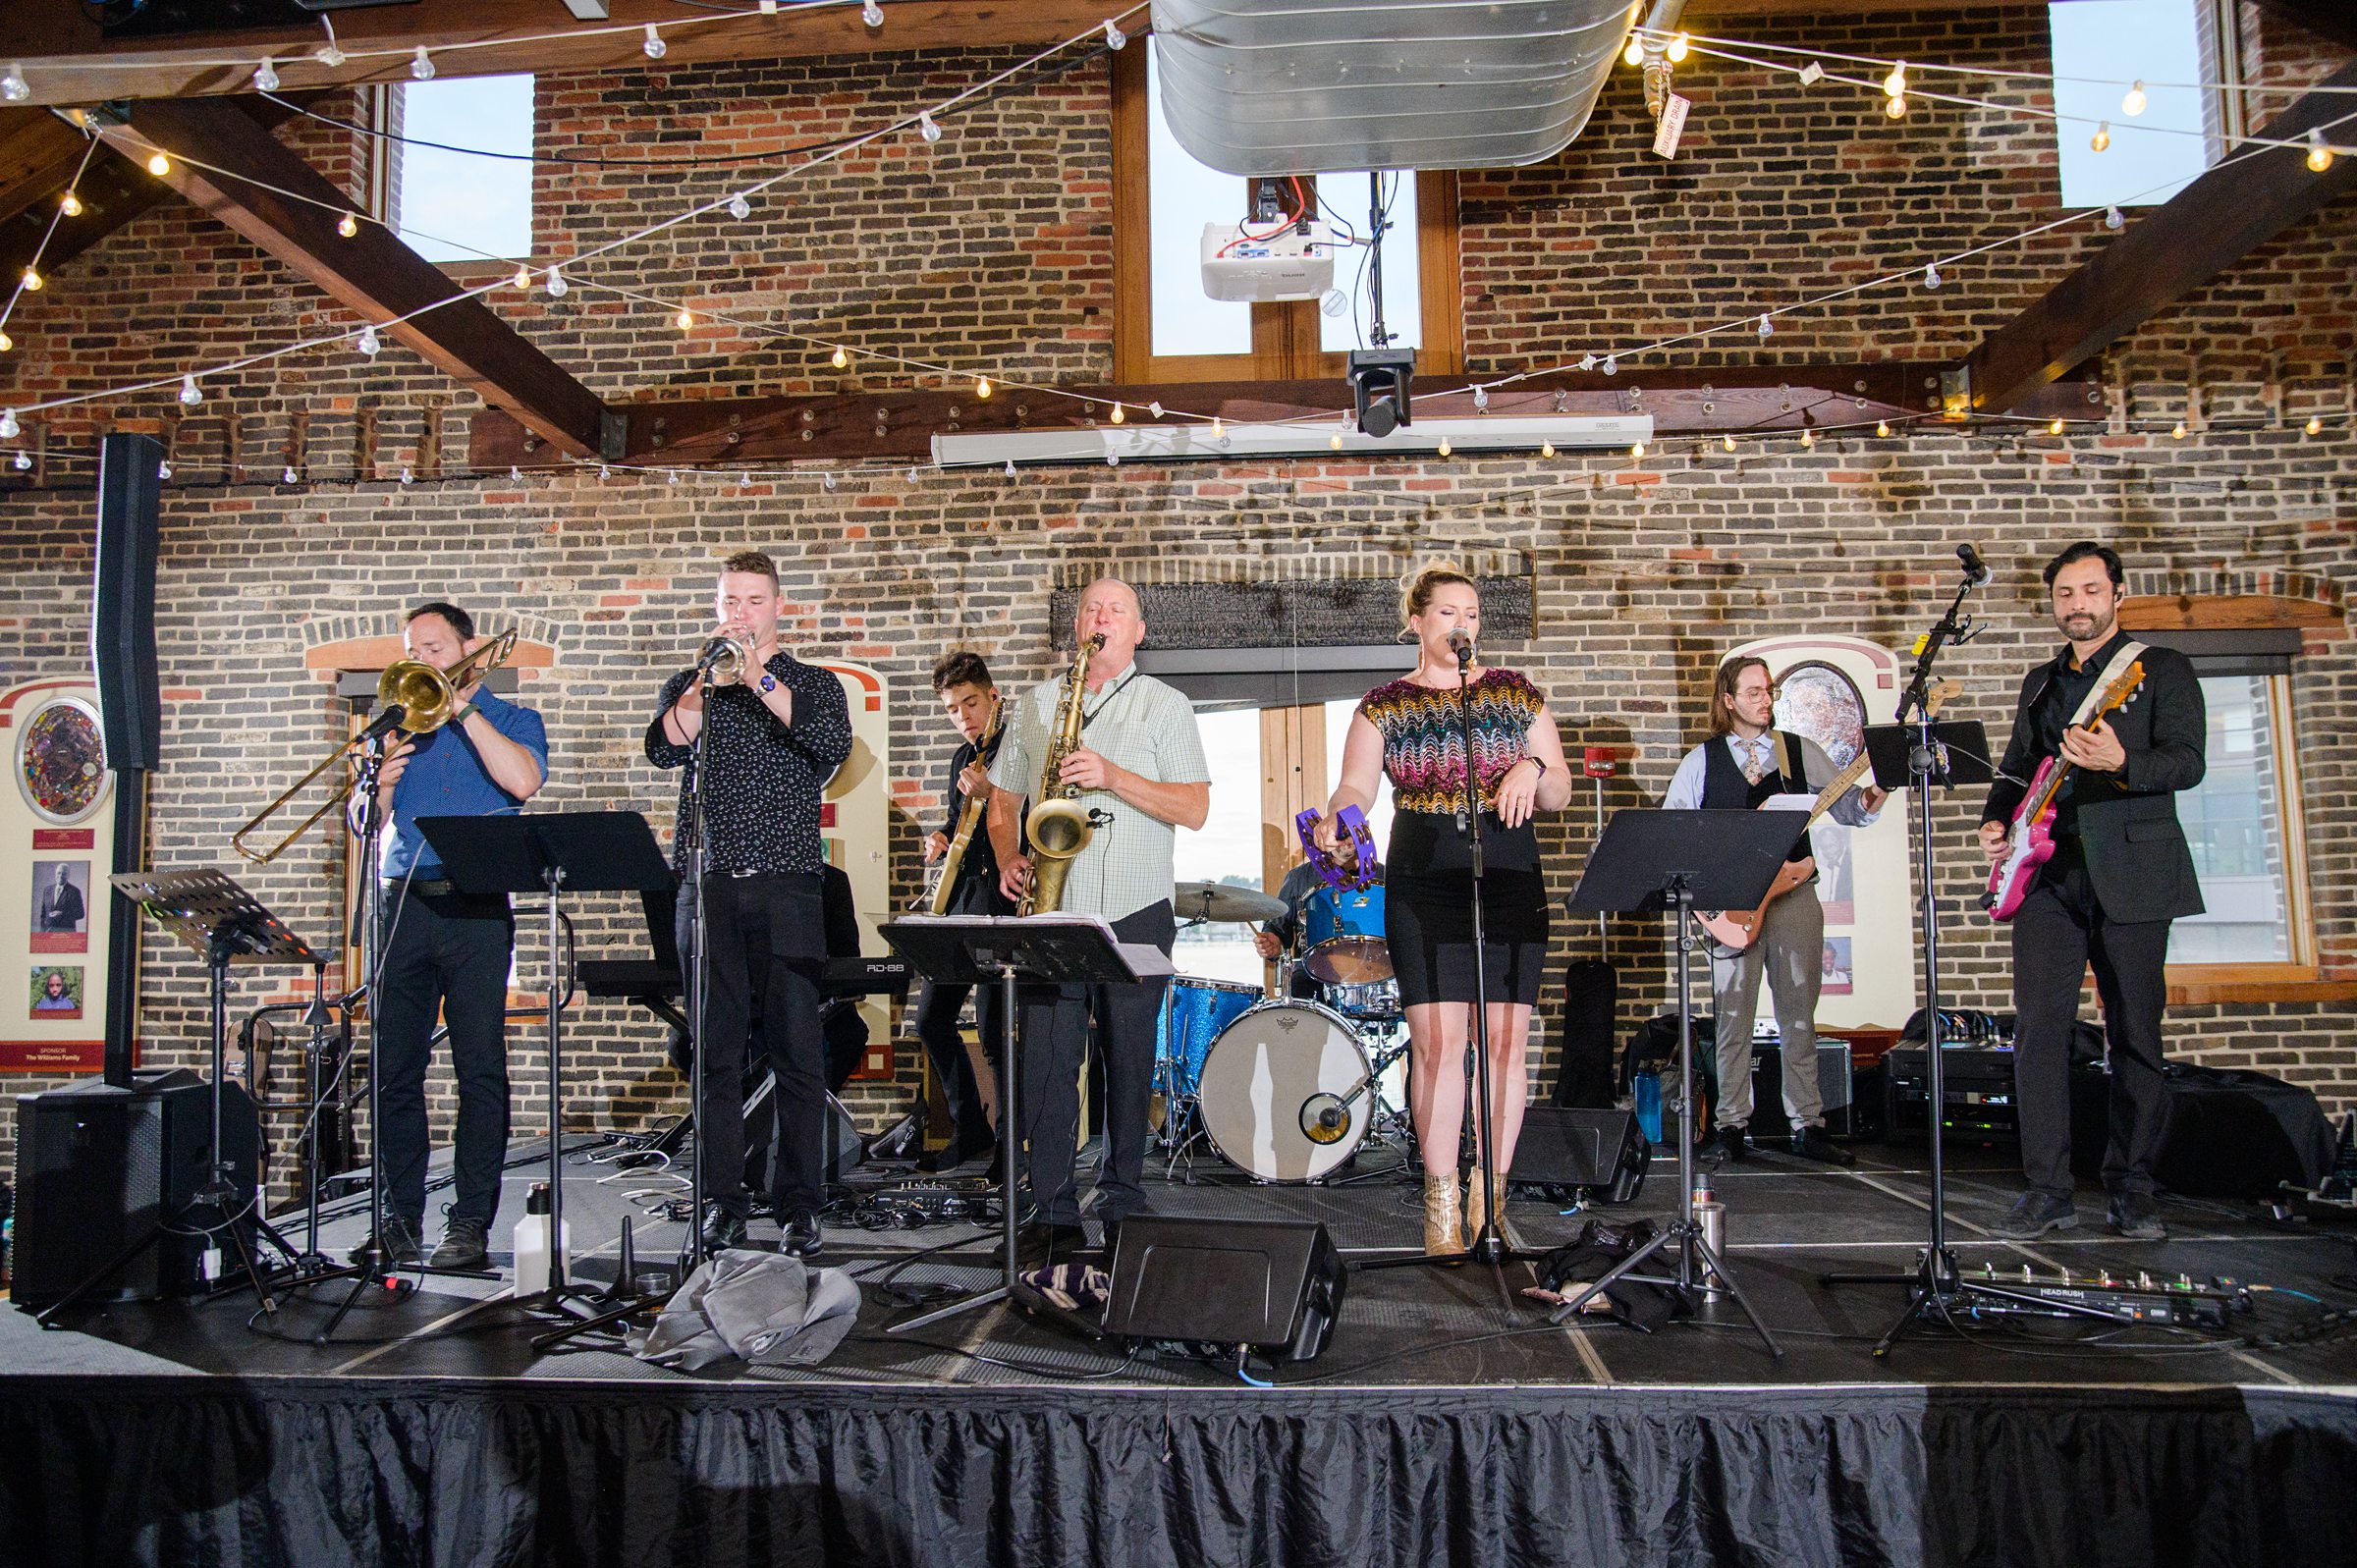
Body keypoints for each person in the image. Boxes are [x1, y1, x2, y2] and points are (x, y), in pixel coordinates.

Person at [1320, 564, 1571, 1255]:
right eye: (1448, 612)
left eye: (1472, 613)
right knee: (1439, 1046)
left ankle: (1490, 1194)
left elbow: (1561, 789)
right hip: (1424, 874)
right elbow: (1354, 786)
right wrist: (1340, 823)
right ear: (1417, 621)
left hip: (1510, 870)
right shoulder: (1385, 704)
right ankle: (1440, 1203)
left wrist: (1534, 768)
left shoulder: (1514, 692)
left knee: (1504, 1044)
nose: (1463, 623)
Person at [1979, 540, 2207, 1242]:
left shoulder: (2159, 668)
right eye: (2064, 595)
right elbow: (2019, 766)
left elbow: (2189, 761)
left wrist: (2123, 760)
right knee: (2038, 1032)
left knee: (2135, 1031)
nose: (2077, 604)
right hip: (2048, 875)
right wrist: (1996, 818)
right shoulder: (2041, 682)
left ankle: (2131, 1186)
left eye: (2089, 590)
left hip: (2134, 872)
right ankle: (2047, 1188)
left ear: (2118, 593)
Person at [987, 578, 1209, 1265]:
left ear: (1139, 630)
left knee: (1130, 1059)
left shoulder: (1165, 706)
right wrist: (1006, 856)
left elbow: (1194, 807)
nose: (1100, 617)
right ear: (1075, 626)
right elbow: (1003, 802)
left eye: (1115, 609)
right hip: (1056, 905)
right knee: (1049, 1059)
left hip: (1138, 903)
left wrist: (1113, 775)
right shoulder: (1037, 704)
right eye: (1090, 608)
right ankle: (1050, 1205)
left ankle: (1121, 1198)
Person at [647, 550, 852, 1260]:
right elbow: (663, 749)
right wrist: (706, 685)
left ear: (777, 607)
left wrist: (758, 675)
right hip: (707, 887)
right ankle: (723, 1202)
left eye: (753, 600)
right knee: (716, 1056)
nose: (741, 612)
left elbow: (829, 742)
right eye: (730, 600)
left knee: (799, 1051)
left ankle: (799, 1205)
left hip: (789, 883)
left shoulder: (811, 682)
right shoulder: (695, 683)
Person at [364, 601, 548, 1271]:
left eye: (435, 647)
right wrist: (379, 789)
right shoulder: (397, 725)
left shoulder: (512, 719)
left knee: (480, 1070)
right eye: (413, 647)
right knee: (394, 1071)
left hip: (474, 907)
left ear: (470, 649)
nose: (421, 659)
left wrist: (465, 708)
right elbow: (369, 825)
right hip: (401, 904)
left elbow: (522, 780)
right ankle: (396, 1218)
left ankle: (469, 1222)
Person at [1664, 655, 1886, 1167]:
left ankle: (1808, 1124)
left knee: (1799, 1016)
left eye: (1769, 691)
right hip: (1732, 904)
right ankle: (1730, 1125)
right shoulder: (1702, 760)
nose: (1766, 700)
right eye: (1754, 691)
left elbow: (1851, 809)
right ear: (1728, 700)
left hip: (1794, 895)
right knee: (1732, 1018)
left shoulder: (1798, 752)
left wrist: (1881, 788)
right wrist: (1706, 900)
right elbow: (1674, 832)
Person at [909, 651, 1010, 1173]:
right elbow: (957, 824)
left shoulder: (1019, 751)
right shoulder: (958, 759)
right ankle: (970, 1126)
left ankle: (1008, 1151)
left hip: (999, 904)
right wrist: (941, 837)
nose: (963, 716)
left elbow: (1037, 820)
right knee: (931, 1018)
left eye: (970, 702)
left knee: (994, 1034)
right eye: (952, 709)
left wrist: (993, 791)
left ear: (993, 697)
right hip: (959, 902)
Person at [1254, 854, 1386, 1001]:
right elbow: (1278, 927)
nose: (1340, 840)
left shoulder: (1383, 875)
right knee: (1299, 987)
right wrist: (1272, 941)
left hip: (1376, 976)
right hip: (1311, 980)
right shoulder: (1299, 877)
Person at [36, 865, 84, 933]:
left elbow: (80, 914)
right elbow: (43, 914)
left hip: (66, 934)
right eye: (59, 873)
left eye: (64, 874)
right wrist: (41, 933)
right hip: (48, 933)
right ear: (55, 874)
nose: (61, 876)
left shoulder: (74, 891)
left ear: (68, 875)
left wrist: (62, 913)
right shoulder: (47, 890)